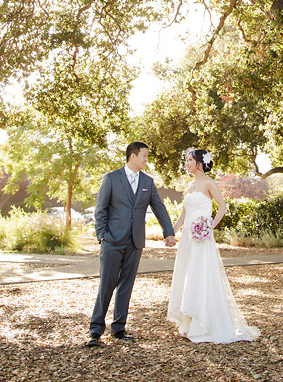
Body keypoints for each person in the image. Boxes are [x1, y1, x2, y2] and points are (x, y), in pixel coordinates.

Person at [85, 141, 176, 346]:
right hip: (112, 241)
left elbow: (159, 207)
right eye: (144, 156)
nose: (146, 160)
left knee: (126, 286)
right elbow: (100, 210)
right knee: (106, 285)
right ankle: (95, 330)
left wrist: (168, 233)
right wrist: (102, 236)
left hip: (135, 242)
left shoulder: (147, 182)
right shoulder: (111, 178)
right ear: (132, 156)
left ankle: (119, 328)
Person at [167, 147, 260, 343]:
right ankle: (189, 321)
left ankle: (203, 323)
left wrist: (209, 226)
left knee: (201, 276)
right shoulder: (188, 186)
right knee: (187, 275)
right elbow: (183, 215)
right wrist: (171, 233)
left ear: (199, 163)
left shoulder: (209, 184)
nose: (187, 164)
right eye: (186, 160)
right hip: (187, 239)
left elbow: (222, 207)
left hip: (202, 238)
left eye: (190, 160)